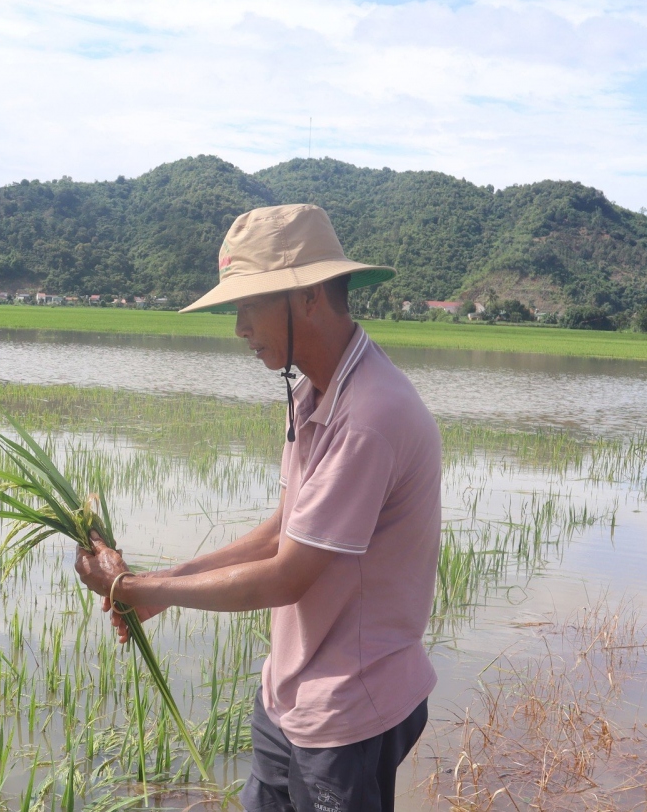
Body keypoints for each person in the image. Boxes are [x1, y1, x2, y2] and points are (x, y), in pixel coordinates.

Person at [75, 204, 441, 812]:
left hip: (348, 708)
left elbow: (286, 575)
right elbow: (281, 533)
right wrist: (154, 587)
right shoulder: (314, 393)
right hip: (288, 693)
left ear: (308, 297)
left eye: (249, 305)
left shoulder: (371, 416)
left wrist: (131, 586)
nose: (239, 327)